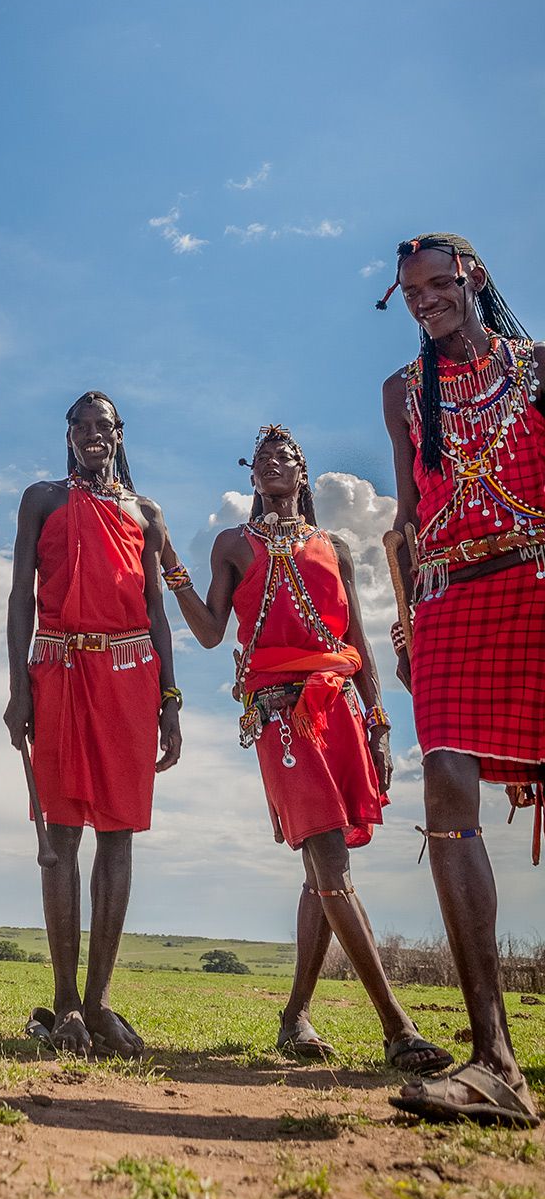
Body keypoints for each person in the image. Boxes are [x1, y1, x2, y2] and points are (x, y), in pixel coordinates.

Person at [165, 424, 448, 1076]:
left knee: (321, 873)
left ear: (301, 470)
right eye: (260, 457)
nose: (270, 463)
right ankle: (398, 1029)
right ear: (252, 475)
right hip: (278, 717)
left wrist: (379, 723)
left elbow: (360, 643)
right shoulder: (234, 545)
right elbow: (211, 634)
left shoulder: (334, 546)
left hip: (341, 711)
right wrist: (172, 564)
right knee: (328, 863)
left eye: (282, 455)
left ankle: (294, 1017)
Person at [379, 232, 545, 1127]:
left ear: (473, 278)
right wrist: (406, 621)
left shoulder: (538, 369)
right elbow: (406, 519)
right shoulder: (404, 394)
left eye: (439, 286)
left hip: (535, 582)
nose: (427, 302)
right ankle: (495, 1060)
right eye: (412, 293)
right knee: (445, 783)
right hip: (447, 600)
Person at [5, 393, 181, 1058]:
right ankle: (66, 1003)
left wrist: (171, 700)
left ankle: (101, 1001)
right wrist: (18, 685)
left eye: (102, 424)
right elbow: (21, 594)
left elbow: (157, 612)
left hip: (131, 677)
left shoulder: (146, 513)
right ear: (69, 435)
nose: (90, 434)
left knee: (119, 834)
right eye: (79, 424)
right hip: (56, 671)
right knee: (60, 835)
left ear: (118, 434)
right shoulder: (42, 500)